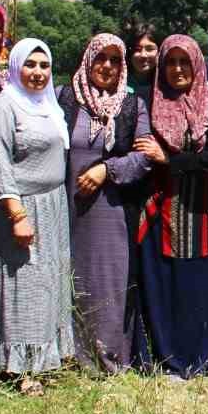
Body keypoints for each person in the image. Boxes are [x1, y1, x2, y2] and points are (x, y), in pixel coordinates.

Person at [0, 37, 76, 389]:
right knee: (24, 285)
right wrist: (17, 214)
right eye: (30, 65)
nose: (37, 73)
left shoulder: (48, 105)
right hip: (22, 207)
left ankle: (44, 357)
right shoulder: (3, 107)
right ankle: (21, 370)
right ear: (16, 67)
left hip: (53, 205)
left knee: (48, 281)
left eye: (44, 65)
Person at [136, 35, 208, 378]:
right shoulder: (148, 101)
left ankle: (197, 358)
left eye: (184, 62)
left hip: (198, 212)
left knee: (195, 287)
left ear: (196, 64)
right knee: (161, 284)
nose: (178, 69)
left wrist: (170, 159)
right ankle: (164, 358)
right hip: (158, 208)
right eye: (171, 62)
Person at [58, 33, 153, 374]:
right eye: (101, 58)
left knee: (109, 281)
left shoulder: (131, 107)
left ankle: (110, 360)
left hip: (112, 211)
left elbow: (144, 157)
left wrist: (106, 169)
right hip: (67, 210)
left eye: (115, 59)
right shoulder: (65, 99)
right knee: (70, 279)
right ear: (88, 59)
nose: (108, 66)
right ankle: (73, 358)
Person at [124, 20, 160, 99]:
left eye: (150, 49)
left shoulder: (165, 87)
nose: (143, 55)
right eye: (137, 49)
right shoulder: (118, 85)